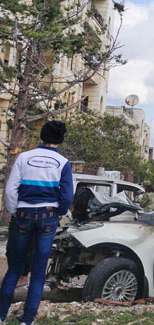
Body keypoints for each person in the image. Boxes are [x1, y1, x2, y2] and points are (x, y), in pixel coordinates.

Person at [0, 121, 74, 325]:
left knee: (15, 268)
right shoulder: (62, 162)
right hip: (48, 218)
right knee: (39, 272)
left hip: (23, 214)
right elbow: (67, 196)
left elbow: (9, 190)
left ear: (42, 136)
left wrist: (16, 211)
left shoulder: (24, 157)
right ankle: (27, 320)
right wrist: (58, 213)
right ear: (60, 139)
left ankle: (0, 316)